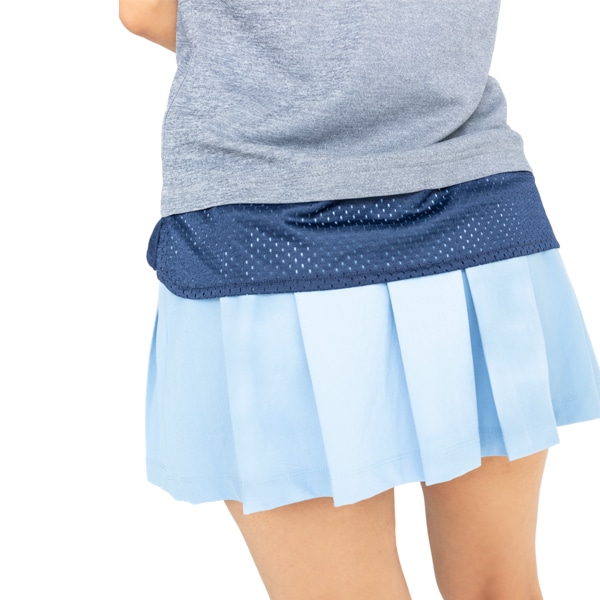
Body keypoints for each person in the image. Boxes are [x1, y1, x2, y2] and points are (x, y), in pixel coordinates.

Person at [119, 2, 600, 598]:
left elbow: (145, 13)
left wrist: (279, 55)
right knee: (498, 587)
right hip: (473, 206)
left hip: (269, 230)